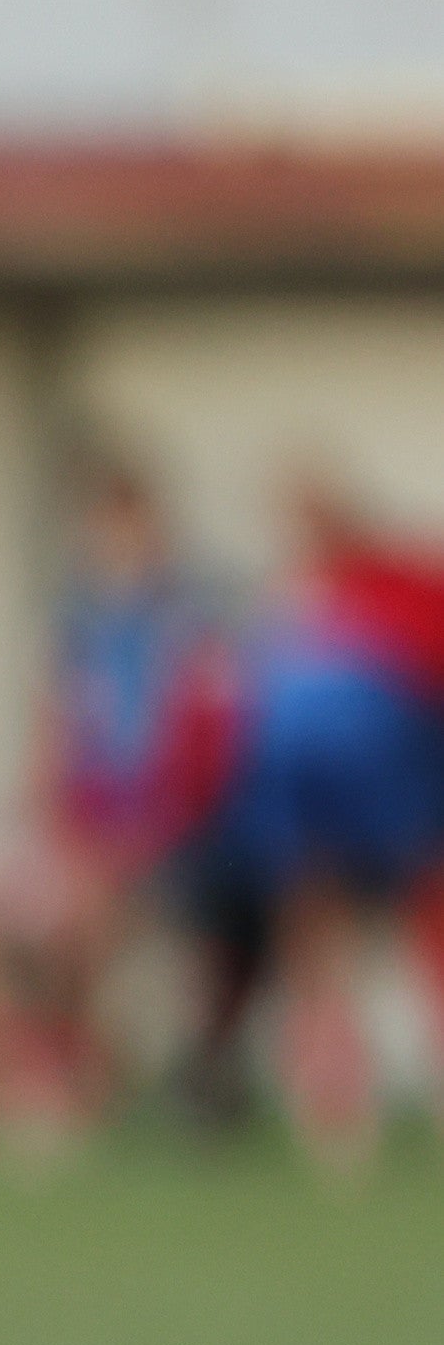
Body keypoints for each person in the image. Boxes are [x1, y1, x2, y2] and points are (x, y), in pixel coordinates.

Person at [0, 453, 246, 1148]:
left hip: (156, 837)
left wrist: (132, 836)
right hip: (75, 831)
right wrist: (29, 827)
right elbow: (51, 751)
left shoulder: (194, 626)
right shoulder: (73, 625)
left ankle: (71, 1085)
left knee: (81, 919)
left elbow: (205, 765)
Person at [218, 475, 444, 1169]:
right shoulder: (282, 604)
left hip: (404, 801)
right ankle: (333, 1103)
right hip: (312, 816)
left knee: (428, 936)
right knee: (312, 941)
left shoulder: (403, 582)